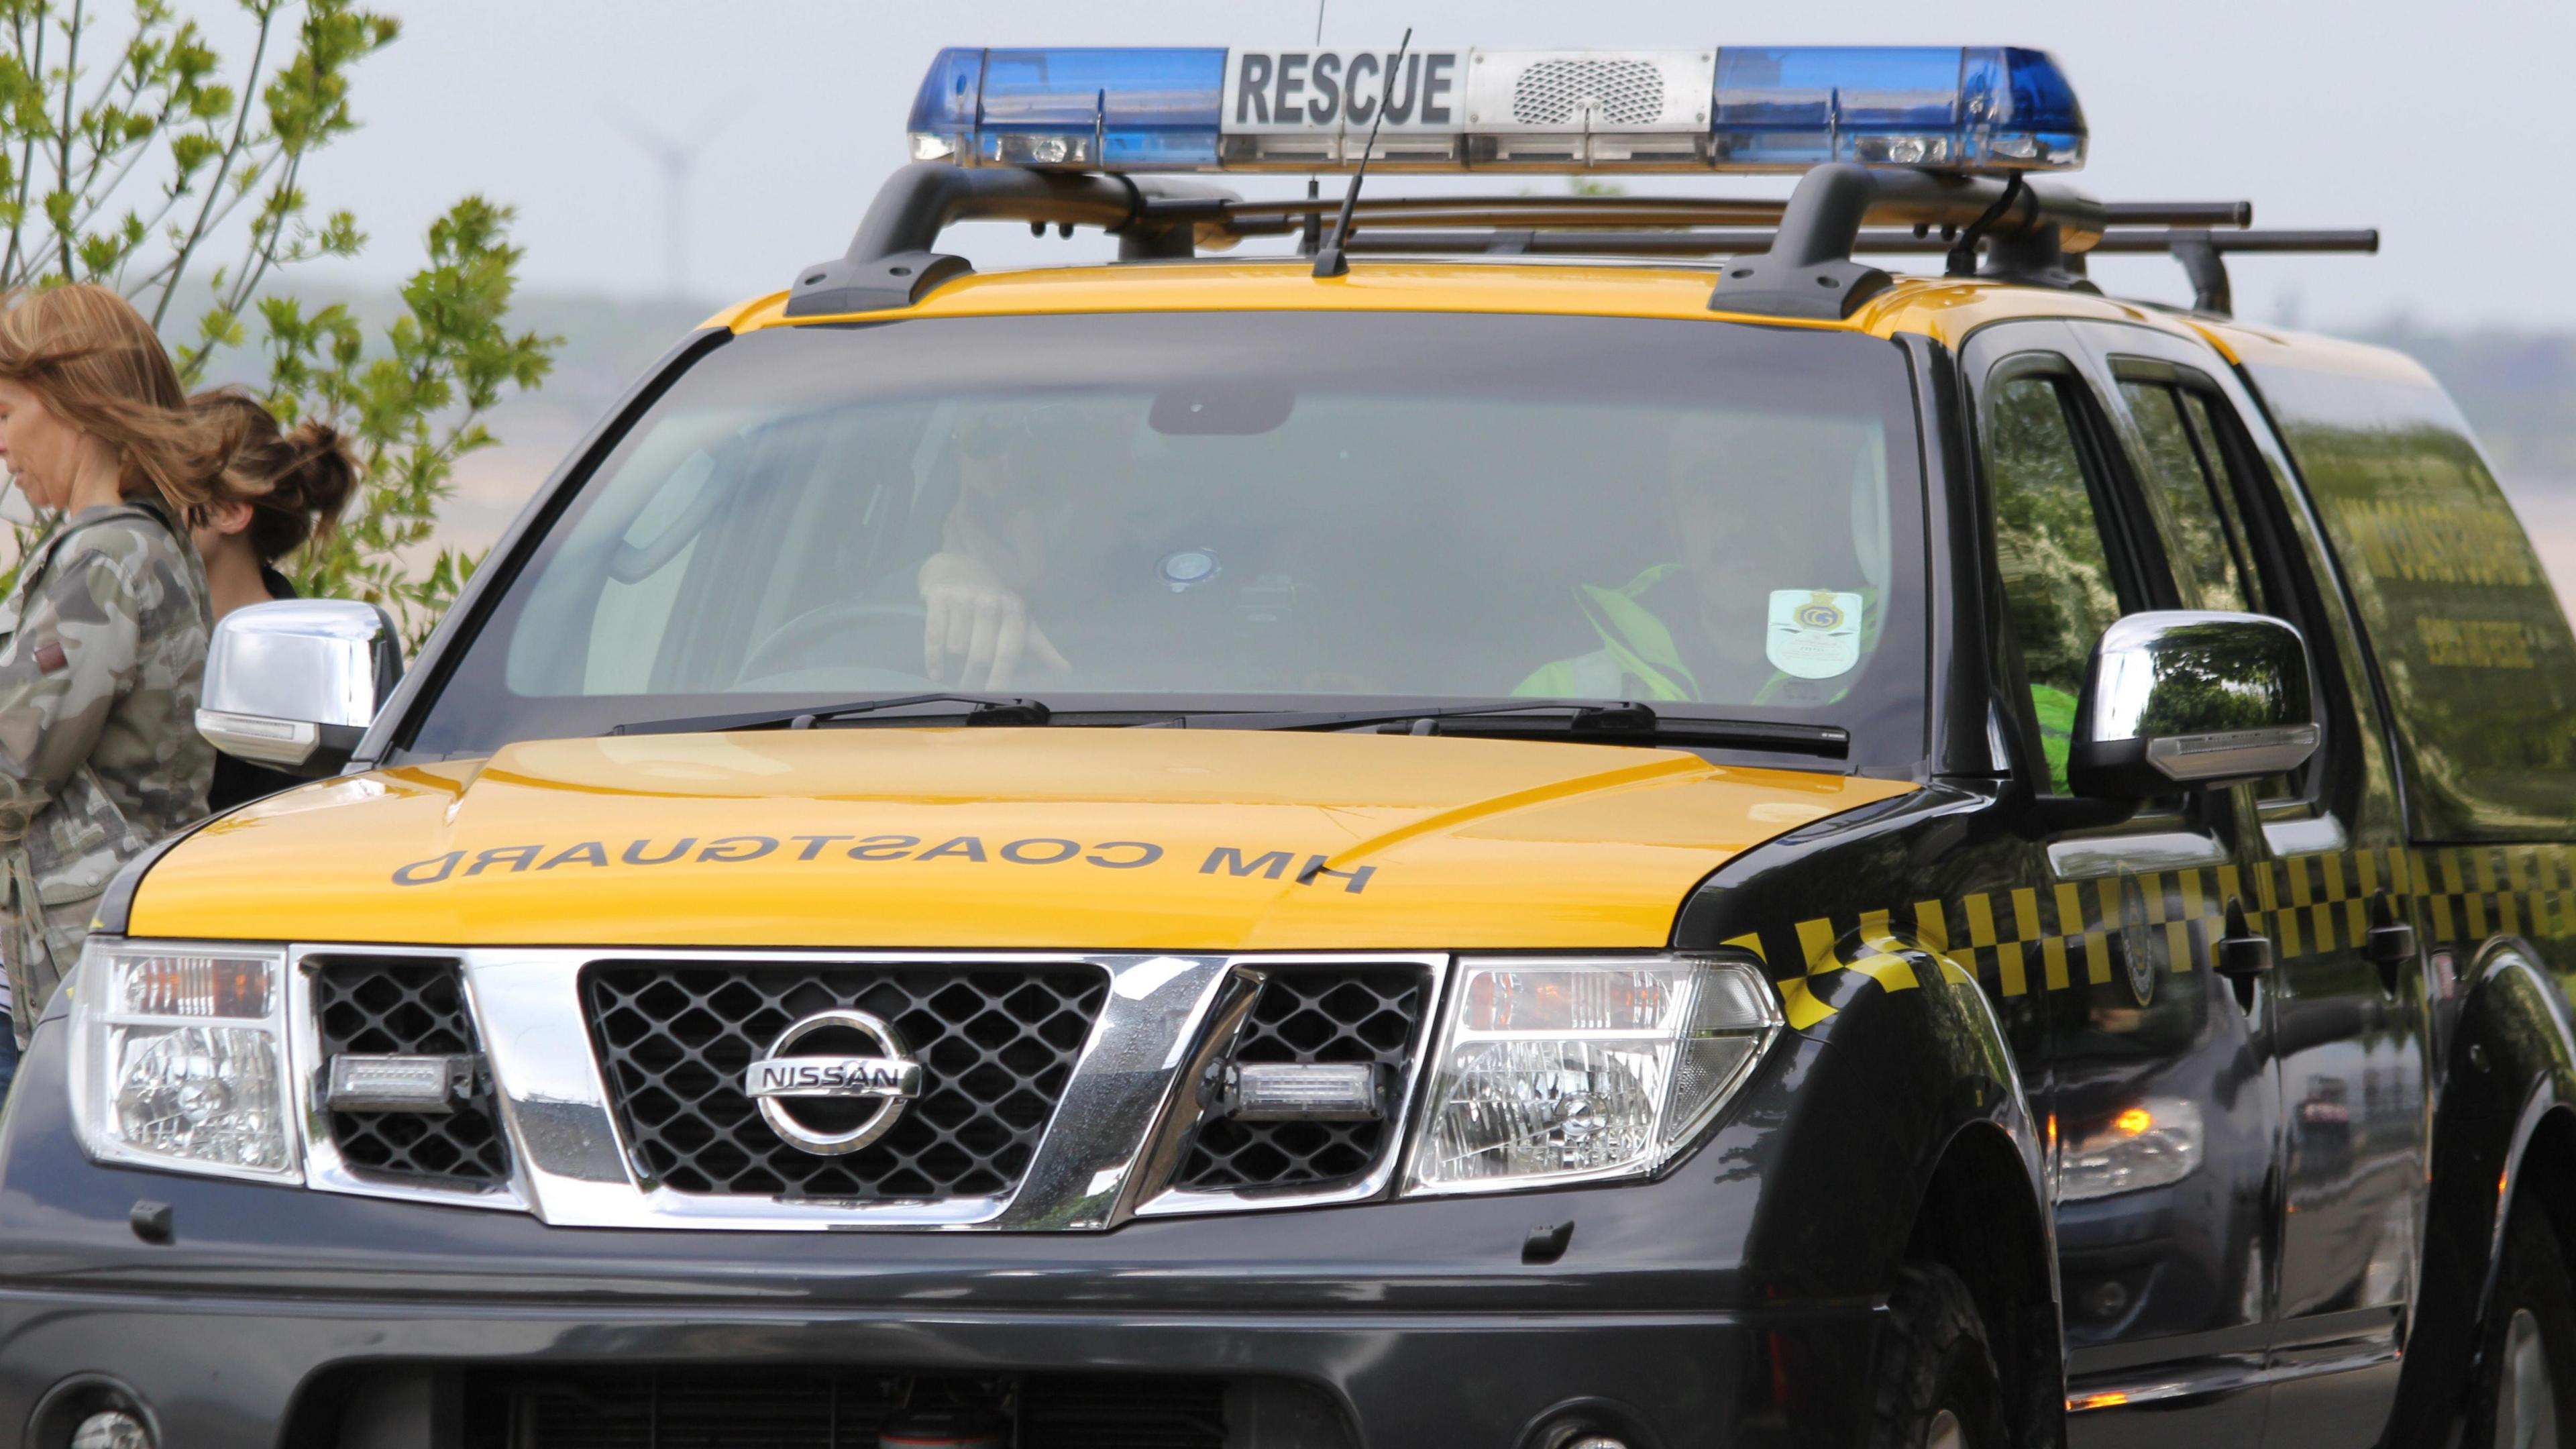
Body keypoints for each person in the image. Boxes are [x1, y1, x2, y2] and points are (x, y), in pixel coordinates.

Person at [0, 284, 268, 1059]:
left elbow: (11, 771)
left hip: (75, 984)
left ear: (77, 407)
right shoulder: (143, 543)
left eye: (9, 415)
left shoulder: (107, 559)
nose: (3, 447)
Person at [1517, 411, 1886, 706]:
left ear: (1830, 509)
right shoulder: (1555, 701)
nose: (1741, 516)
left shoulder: (1903, 681)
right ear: (1673, 523)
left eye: (1776, 482)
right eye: (1708, 486)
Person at [188, 388, 356, 812]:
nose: (137, 510)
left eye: (161, 486)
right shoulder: (151, 638)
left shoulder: (305, 674)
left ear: (228, 512)